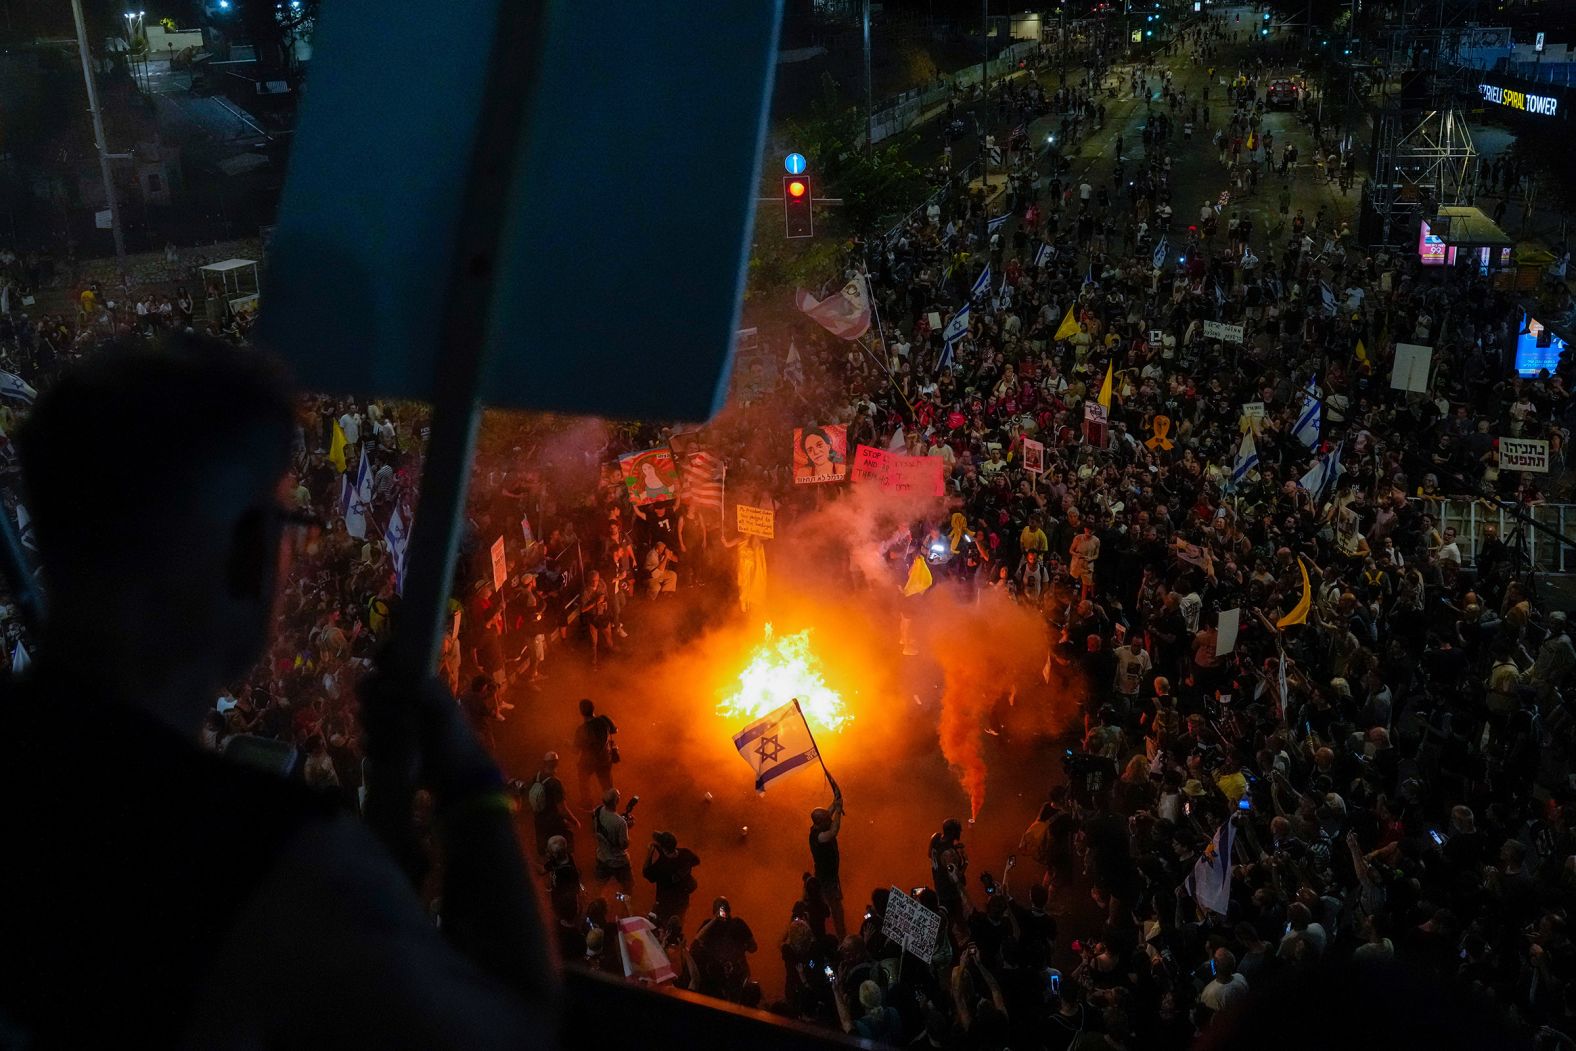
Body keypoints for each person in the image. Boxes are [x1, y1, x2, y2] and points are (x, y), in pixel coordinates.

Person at [0, 336, 553, 1045]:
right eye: (290, 521)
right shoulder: (276, 862)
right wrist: (469, 780)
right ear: (245, 553)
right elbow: (524, 1028)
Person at [525, 750, 578, 858]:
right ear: (556, 763)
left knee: (545, 851)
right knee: (567, 841)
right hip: (554, 823)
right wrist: (575, 821)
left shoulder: (537, 777)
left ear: (544, 763)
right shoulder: (555, 783)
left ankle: (549, 872)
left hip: (539, 821)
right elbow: (562, 809)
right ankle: (567, 869)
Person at [642, 831, 701, 927]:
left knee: (661, 925)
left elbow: (646, 872)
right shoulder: (685, 853)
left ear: (663, 848)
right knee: (678, 923)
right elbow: (696, 861)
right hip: (682, 899)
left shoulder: (661, 866)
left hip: (664, 903)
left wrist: (650, 852)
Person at [809, 791, 847, 938]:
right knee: (835, 908)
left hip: (828, 876)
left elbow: (827, 814)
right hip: (826, 878)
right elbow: (834, 831)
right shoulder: (819, 836)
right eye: (826, 819)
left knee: (830, 907)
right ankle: (840, 936)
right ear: (820, 822)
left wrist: (835, 800)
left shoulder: (818, 826)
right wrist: (838, 811)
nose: (829, 819)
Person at [573, 697, 618, 805]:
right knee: (607, 785)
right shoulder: (604, 719)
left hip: (589, 762)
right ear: (593, 708)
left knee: (583, 778)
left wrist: (567, 743)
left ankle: (586, 802)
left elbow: (575, 750)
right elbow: (615, 730)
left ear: (581, 712)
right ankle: (611, 806)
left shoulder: (581, 729)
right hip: (605, 759)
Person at [591, 787, 635, 893]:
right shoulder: (620, 823)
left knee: (599, 886)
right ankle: (626, 905)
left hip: (602, 857)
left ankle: (597, 904)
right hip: (618, 862)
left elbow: (595, 829)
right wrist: (629, 827)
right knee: (628, 886)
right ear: (616, 801)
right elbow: (623, 845)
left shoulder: (597, 810)